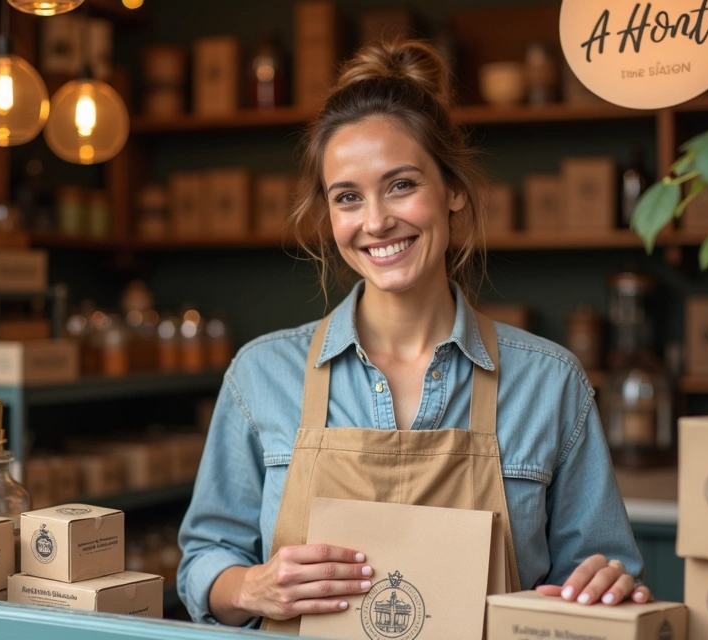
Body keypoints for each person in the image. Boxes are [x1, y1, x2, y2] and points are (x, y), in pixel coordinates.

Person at [176, 39, 647, 631]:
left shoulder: (549, 381)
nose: (375, 222)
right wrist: (252, 587)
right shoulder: (261, 373)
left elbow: (604, 575)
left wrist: (606, 585)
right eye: (348, 197)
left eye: (401, 185)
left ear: (452, 190)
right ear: (329, 216)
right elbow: (203, 561)